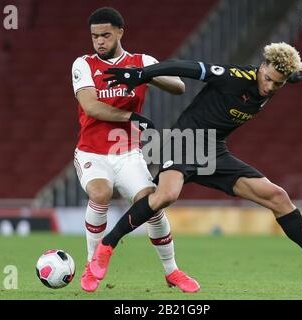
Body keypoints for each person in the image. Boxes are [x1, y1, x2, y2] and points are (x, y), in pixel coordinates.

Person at [89, 42, 302, 286]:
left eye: (278, 84)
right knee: (167, 195)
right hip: (184, 140)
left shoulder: (278, 78)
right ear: (262, 66)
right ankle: (107, 245)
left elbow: (285, 75)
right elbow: (184, 67)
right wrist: (142, 74)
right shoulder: (235, 76)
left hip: (214, 150)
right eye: (268, 78)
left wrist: (292, 77)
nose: (269, 86)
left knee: (278, 197)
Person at [72, 7, 199, 293]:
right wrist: (131, 117)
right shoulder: (83, 64)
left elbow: (178, 86)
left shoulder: (141, 61)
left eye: (105, 35)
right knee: (100, 193)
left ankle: (172, 271)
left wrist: (145, 75)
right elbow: (91, 106)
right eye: (95, 36)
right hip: (92, 152)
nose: (99, 42)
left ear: (120, 32)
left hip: (127, 152)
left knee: (151, 204)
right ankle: (92, 265)